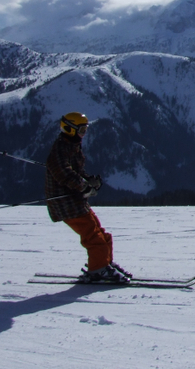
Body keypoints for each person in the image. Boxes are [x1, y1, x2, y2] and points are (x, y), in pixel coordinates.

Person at [45, 112, 131, 283]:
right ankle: (98, 270)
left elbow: (75, 171)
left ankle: (104, 263)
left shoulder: (71, 146)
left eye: (85, 130)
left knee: (100, 232)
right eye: (82, 130)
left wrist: (88, 180)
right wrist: (83, 185)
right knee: (93, 236)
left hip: (75, 200)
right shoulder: (60, 149)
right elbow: (64, 173)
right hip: (65, 202)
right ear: (70, 129)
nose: (84, 134)